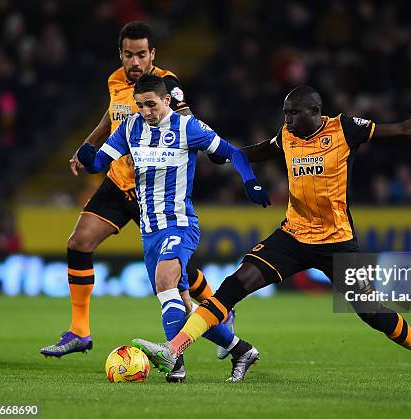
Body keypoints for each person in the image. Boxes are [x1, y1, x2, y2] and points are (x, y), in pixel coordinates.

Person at [135, 85, 411, 383]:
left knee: (372, 313)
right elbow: (255, 152)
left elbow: (403, 130)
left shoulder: (345, 129)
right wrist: (222, 152)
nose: (286, 120)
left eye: (292, 113)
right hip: (292, 236)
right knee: (232, 285)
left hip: (337, 242)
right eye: (284, 113)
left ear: (315, 112)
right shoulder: (287, 135)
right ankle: (174, 349)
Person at [40, 22, 235, 361]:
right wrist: (86, 146)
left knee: (178, 273)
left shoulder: (167, 84)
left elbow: (186, 119)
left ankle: (219, 312)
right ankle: (80, 331)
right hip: (118, 185)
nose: (134, 61)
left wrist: (206, 142)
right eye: (128, 54)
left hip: (154, 189)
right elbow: (110, 118)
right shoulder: (115, 81)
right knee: (78, 242)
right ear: (121, 54)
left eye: (141, 54)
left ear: (152, 54)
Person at [76, 73, 270, 382]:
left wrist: (250, 180)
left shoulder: (187, 127)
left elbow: (231, 152)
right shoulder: (130, 128)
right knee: (183, 306)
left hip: (179, 223)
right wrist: (89, 157)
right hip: (149, 230)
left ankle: (174, 359)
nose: (146, 112)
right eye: (140, 106)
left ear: (167, 100)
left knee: (166, 278)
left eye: (151, 105)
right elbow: (101, 163)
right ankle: (241, 350)